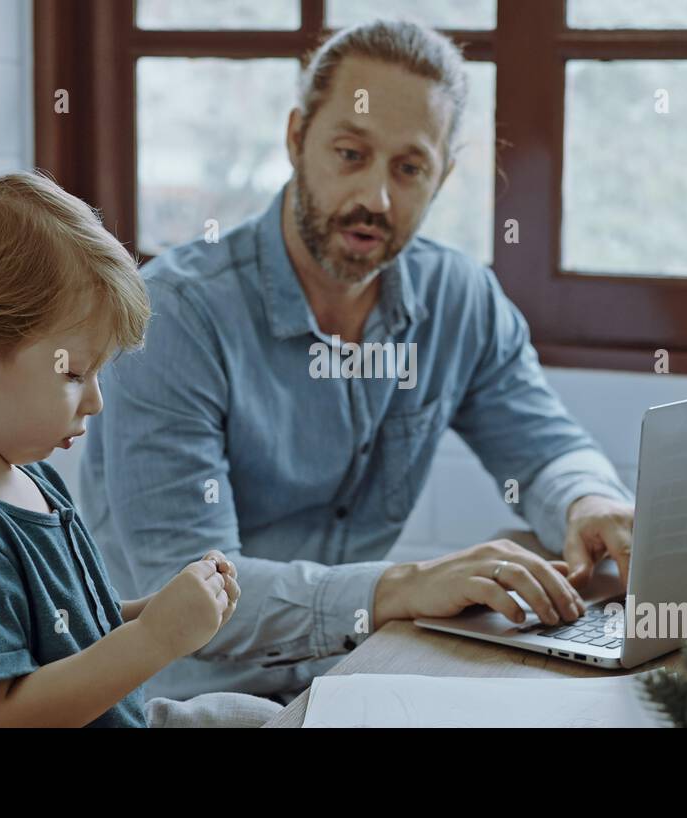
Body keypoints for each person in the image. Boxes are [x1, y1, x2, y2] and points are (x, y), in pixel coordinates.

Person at [81, 20, 636, 701]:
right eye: (350, 153)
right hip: (186, 701)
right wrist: (401, 586)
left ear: (443, 177)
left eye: (409, 169)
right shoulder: (175, 317)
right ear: (295, 138)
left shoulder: (458, 299)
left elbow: (546, 448)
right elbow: (189, 593)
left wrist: (590, 503)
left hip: (351, 678)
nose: (376, 198)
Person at [0, 172, 280, 727]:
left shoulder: (29, 478)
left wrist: (162, 612)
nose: (95, 403)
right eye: (74, 373)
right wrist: (156, 638)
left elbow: (74, 629)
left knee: (262, 717)